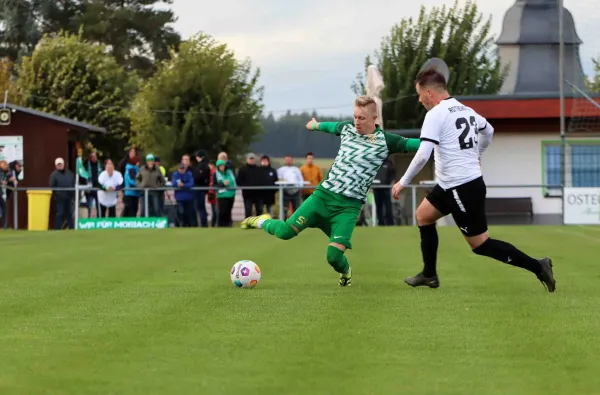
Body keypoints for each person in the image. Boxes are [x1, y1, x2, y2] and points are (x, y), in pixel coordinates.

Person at [392, 68, 555, 292]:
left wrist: (403, 181)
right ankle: (429, 274)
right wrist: (478, 153)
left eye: (419, 94)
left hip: (462, 187)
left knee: (480, 245)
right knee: (423, 216)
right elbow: (489, 130)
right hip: (451, 184)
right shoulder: (465, 110)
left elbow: (422, 154)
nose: (419, 100)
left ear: (429, 92)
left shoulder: (436, 114)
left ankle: (538, 266)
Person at [241, 95, 421, 286]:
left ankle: (346, 272)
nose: (357, 122)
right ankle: (262, 221)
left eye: (362, 118)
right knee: (285, 232)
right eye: (355, 117)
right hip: (322, 197)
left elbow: (415, 144)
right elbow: (330, 127)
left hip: (348, 207)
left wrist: (438, 142)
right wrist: (315, 125)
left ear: (374, 118)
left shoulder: (386, 140)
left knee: (334, 257)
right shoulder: (347, 128)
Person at [213, 159, 236, 227]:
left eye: (223, 166)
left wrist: (228, 183)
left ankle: (228, 225)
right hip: (221, 196)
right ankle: (221, 226)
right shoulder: (216, 174)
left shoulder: (230, 172)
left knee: (228, 211)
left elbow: (233, 182)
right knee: (222, 212)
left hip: (231, 195)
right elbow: (215, 185)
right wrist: (223, 184)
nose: (222, 167)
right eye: (220, 166)